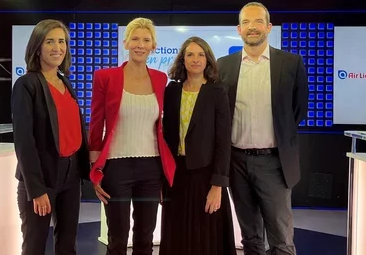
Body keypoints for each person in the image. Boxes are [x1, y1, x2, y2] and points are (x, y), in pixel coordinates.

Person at [217, 2, 308, 255]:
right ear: (238, 29)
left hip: (274, 163)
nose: (252, 27)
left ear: (269, 27)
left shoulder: (291, 63)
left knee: (281, 239)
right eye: (246, 22)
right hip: (236, 162)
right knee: (250, 238)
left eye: (258, 21)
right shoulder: (223, 65)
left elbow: (298, 110)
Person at [88, 17, 176, 255]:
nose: (140, 45)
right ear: (125, 43)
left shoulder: (160, 78)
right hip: (116, 167)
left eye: (146, 40)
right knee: (117, 237)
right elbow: (96, 123)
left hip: (151, 167)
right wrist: (95, 168)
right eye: (135, 39)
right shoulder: (105, 77)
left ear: (153, 46)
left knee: (145, 237)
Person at [12, 19, 90, 255]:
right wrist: (36, 189)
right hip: (42, 176)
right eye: (50, 42)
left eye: (62, 41)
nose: (58, 47)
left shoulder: (65, 81)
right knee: (34, 246)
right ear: (37, 46)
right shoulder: (26, 84)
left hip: (71, 175)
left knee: (67, 246)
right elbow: (24, 141)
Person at [160, 37, 235, 255]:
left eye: (201, 54)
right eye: (190, 54)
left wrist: (218, 185)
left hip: (206, 178)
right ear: (182, 60)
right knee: (177, 236)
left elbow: (223, 141)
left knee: (205, 239)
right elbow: (166, 137)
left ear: (208, 60)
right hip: (176, 177)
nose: (195, 59)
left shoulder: (217, 91)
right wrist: (162, 180)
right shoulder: (172, 91)